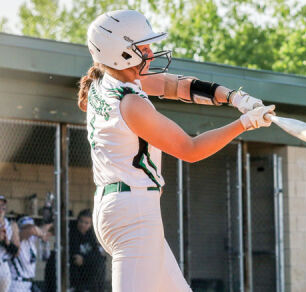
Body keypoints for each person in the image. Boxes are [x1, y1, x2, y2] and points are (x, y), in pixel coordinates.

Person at [78, 9, 276, 292]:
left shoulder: (105, 80)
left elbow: (176, 86)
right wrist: (244, 123)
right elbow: (190, 149)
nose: (150, 51)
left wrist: (234, 97)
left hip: (121, 207)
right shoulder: (131, 103)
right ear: (120, 54)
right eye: (141, 47)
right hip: (133, 214)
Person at [9, 216, 52, 292]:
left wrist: (52, 222)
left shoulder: (32, 239)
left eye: (31, 225)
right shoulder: (18, 238)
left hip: (28, 284)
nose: (29, 229)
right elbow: (32, 230)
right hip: (16, 284)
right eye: (26, 227)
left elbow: (42, 229)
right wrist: (41, 234)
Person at [69, 209, 106, 292]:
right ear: (77, 221)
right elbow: (75, 256)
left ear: (90, 225)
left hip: (87, 266)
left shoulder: (90, 235)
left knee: (100, 262)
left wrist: (85, 259)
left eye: (86, 223)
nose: (83, 225)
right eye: (81, 221)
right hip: (75, 269)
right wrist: (88, 258)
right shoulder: (72, 233)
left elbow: (97, 254)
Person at [0, 195, 19, 292]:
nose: (1, 208)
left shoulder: (10, 225)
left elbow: (16, 252)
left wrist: (6, 242)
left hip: (3, 266)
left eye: (2, 205)